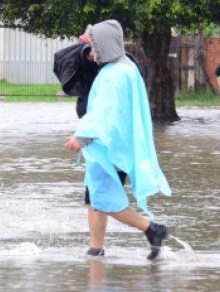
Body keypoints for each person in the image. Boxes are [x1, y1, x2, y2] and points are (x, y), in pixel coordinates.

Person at [64, 20, 171, 260]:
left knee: (103, 198)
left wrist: (81, 137)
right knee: (95, 196)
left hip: (109, 148)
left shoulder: (113, 75)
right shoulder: (126, 67)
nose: (91, 53)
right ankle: (96, 248)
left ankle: (152, 229)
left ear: (104, 45)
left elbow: (105, 114)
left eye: (93, 46)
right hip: (118, 145)